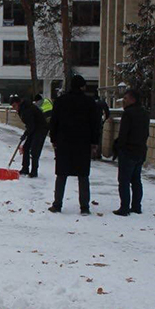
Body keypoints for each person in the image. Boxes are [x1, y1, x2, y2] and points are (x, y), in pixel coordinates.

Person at [48, 74, 100, 214]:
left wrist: (53, 139)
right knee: (83, 176)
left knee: (61, 174)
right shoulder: (89, 102)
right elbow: (95, 124)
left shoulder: (60, 101)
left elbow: (54, 122)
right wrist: (94, 142)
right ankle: (84, 207)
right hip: (83, 143)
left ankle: (57, 204)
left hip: (64, 142)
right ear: (82, 86)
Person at [112, 87, 150, 216]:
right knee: (136, 180)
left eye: (126, 98)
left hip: (128, 151)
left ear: (133, 99)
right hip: (140, 150)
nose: (124, 100)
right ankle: (136, 206)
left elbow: (124, 134)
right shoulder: (144, 113)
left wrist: (118, 147)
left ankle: (124, 207)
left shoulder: (128, 114)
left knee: (124, 180)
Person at [10, 95, 48, 178]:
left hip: (41, 129)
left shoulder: (27, 109)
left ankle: (34, 172)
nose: (14, 108)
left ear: (19, 103)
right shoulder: (22, 109)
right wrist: (26, 134)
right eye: (12, 106)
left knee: (35, 150)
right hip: (33, 128)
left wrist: (25, 134)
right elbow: (30, 125)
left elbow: (31, 125)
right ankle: (25, 169)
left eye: (14, 106)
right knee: (26, 147)